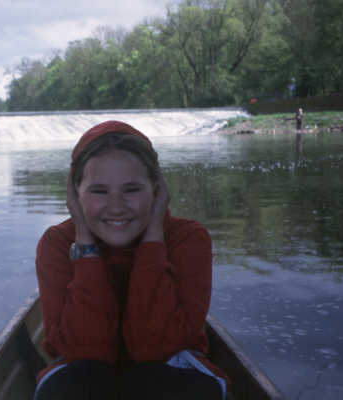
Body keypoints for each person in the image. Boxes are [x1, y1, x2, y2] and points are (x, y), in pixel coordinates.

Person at [34, 121, 228, 400]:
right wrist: (86, 245)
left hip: (169, 371)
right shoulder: (58, 243)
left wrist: (153, 237)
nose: (116, 206)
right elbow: (86, 353)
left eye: (132, 189)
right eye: (99, 191)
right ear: (75, 194)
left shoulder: (188, 238)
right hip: (83, 375)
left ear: (156, 189)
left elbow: (155, 349)